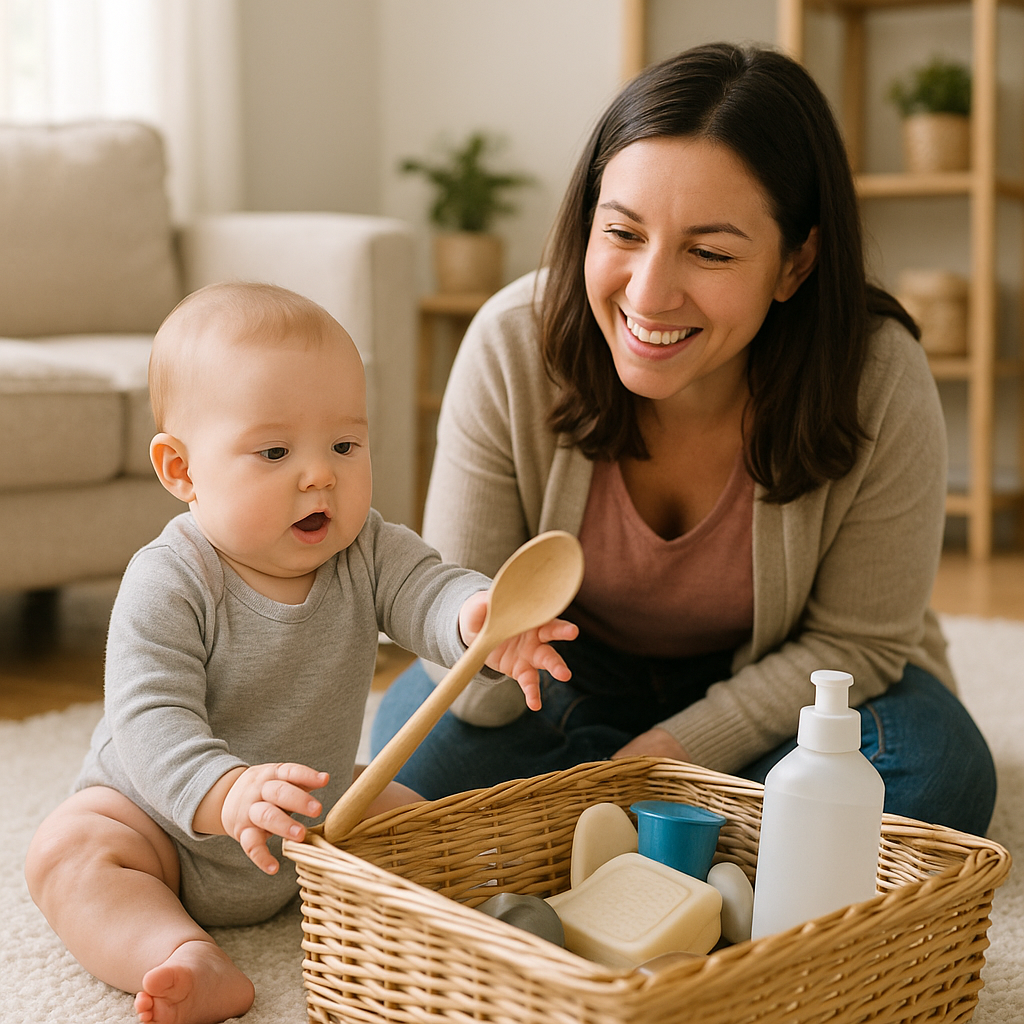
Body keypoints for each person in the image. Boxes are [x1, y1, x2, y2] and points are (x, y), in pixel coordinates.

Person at [371, 42, 997, 837]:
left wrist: (659, 758)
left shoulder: (875, 372)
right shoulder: (510, 345)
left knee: (933, 777)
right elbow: (472, 675)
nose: (650, 293)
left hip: (791, 690)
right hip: (565, 681)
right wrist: (484, 640)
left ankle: (608, 833)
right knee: (410, 767)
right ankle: (693, 842)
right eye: (623, 233)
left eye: (709, 252)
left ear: (795, 263)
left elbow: (856, 644)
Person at [25, 282, 577, 1024]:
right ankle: (178, 951)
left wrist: (480, 618)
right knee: (67, 851)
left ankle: (481, 920)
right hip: (163, 827)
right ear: (181, 470)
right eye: (276, 450)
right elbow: (148, 720)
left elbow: (429, 588)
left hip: (307, 812)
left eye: (346, 445)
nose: (321, 475)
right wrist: (227, 793)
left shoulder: (367, 549)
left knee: (408, 816)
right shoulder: (170, 580)